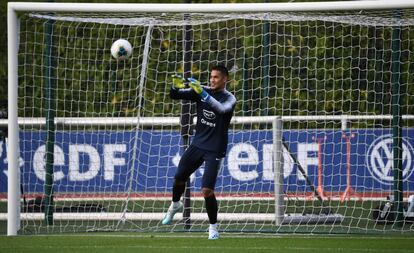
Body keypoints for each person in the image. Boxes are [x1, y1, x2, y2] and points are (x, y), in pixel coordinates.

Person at [162, 65, 236, 240]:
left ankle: (213, 228)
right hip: (197, 145)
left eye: (216, 77)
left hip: (215, 149)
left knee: (206, 191)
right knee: (179, 177)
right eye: (211, 77)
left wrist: (202, 94)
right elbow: (175, 95)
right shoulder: (201, 90)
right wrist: (176, 85)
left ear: (225, 79)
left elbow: (221, 110)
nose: (212, 80)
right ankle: (175, 205)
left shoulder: (229, 98)